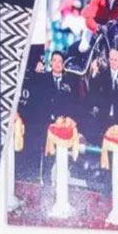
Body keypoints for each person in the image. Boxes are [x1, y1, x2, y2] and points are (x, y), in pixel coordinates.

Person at [26, 50, 76, 184]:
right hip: (44, 122)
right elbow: (33, 95)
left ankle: (57, 180)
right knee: (44, 151)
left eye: (60, 61)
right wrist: (35, 73)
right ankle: (43, 178)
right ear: (50, 63)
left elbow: (73, 103)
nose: (57, 64)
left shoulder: (70, 82)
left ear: (63, 64)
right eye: (54, 60)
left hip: (61, 124)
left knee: (59, 153)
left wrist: (67, 119)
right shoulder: (42, 78)